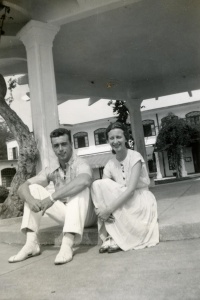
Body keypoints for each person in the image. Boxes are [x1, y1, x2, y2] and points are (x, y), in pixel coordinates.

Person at [8, 128, 96, 265]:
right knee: (32, 189)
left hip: (87, 215)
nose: (60, 149)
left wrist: (51, 198)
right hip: (67, 214)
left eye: (64, 144)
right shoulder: (52, 168)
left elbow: (84, 180)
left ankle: (67, 244)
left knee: (79, 188)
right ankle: (31, 244)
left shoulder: (81, 164)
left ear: (71, 144)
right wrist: (31, 201)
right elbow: (22, 187)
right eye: (56, 145)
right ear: (53, 148)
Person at [91, 122, 159, 253]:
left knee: (109, 198)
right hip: (125, 199)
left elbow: (131, 189)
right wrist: (99, 209)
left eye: (119, 137)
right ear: (108, 141)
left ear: (126, 138)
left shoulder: (135, 157)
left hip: (140, 199)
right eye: (112, 138)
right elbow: (102, 189)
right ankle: (111, 236)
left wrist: (108, 209)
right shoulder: (110, 164)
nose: (115, 141)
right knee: (96, 184)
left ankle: (117, 237)